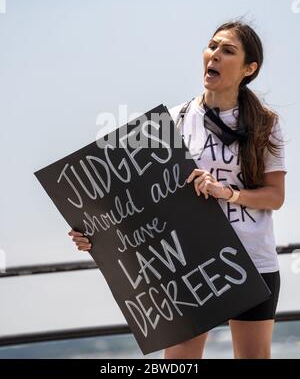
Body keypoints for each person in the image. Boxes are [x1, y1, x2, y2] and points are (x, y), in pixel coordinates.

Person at [68, 20, 287, 359]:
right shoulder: (173, 121)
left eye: (227, 50)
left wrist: (227, 193)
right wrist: (94, 231)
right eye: (212, 46)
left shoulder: (266, 123)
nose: (214, 55)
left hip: (252, 262)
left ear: (249, 68)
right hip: (188, 266)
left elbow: (275, 197)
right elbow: (133, 197)